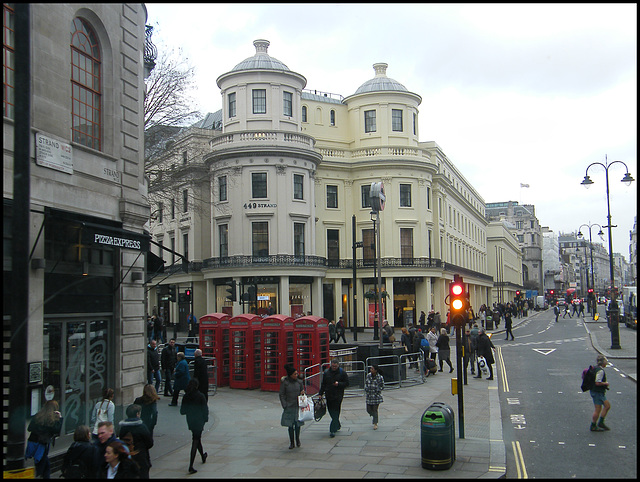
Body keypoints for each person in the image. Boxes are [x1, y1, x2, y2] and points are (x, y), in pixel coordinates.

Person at [25, 400, 63, 479]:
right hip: (43, 443)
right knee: (42, 465)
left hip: (34, 441)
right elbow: (56, 430)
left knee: (45, 465)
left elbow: (30, 428)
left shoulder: (38, 416)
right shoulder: (52, 420)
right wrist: (60, 418)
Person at [180, 379, 209, 474]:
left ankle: (203, 456)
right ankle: (191, 465)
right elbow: (205, 409)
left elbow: (182, 411)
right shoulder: (201, 396)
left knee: (197, 438)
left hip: (190, 421)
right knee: (195, 440)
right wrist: (205, 419)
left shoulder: (186, 396)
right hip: (199, 420)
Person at [118, 404, 153, 479]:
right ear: (137, 414)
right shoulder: (142, 427)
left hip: (128, 456)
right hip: (141, 457)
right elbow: (150, 443)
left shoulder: (123, 428)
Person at [318, 358, 350, 438]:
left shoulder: (342, 373)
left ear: (338, 365)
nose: (334, 367)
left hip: (338, 395)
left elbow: (347, 383)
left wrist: (339, 384)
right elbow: (323, 384)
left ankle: (332, 429)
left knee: (336, 411)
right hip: (329, 395)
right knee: (331, 411)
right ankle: (337, 423)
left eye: (335, 366)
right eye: (332, 366)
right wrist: (320, 393)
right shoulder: (326, 372)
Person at [279, 363, 305, 449]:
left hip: (298, 406)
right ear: (290, 375)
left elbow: (303, 392)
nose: (297, 375)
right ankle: (292, 442)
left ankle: (297, 439)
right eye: (295, 374)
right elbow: (281, 394)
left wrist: (303, 393)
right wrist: (284, 405)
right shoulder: (285, 383)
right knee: (290, 425)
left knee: (298, 424)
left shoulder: (299, 382)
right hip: (289, 406)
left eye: (297, 373)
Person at [590, 354, 611, 431]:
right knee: (599, 409)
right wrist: (605, 383)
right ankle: (594, 425)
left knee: (606, 406)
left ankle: (599, 423)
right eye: (605, 361)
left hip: (596, 392)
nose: (606, 363)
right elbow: (597, 382)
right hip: (597, 392)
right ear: (602, 362)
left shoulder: (595, 368)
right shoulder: (600, 371)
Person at [364, 365, 384, 430]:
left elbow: (382, 386)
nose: (371, 370)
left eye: (372, 369)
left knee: (375, 410)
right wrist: (366, 389)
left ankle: (375, 423)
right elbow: (366, 383)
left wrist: (378, 390)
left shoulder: (380, 377)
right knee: (368, 409)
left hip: (376, 396)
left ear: (375, 370)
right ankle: (374, 416)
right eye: (370, 368)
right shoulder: (368, 376)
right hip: (369, 396)